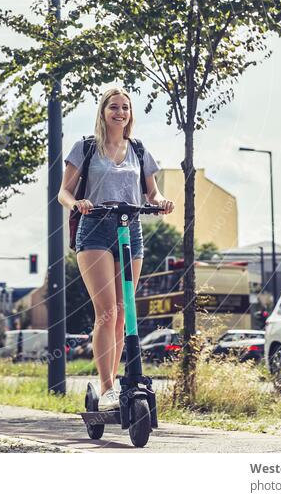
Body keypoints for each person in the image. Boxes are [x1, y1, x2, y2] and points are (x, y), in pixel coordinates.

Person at [58, 87, 174, 411]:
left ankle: (120, 383)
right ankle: (107, 387)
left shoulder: (138, 149)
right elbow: (63, 192)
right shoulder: (85, 148)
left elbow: (152, 193)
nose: (120, 112)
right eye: (114, 107)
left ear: (130, 114)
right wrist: (78, 202)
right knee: (107, 313)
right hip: (94, 228)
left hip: (131, 230)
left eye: (125, 107)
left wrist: (161, 201)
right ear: (103, 112)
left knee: (125, 314)